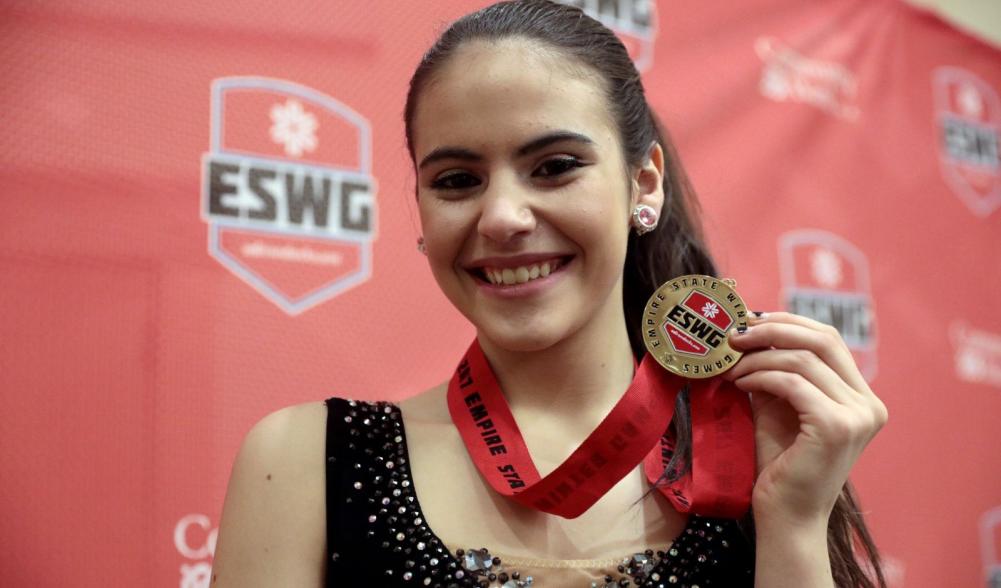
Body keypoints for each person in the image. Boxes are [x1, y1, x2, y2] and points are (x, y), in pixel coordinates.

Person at [209, 1, 889, 586]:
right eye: (455, 180)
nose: (502, 217)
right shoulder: (305, 460)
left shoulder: (753, 456)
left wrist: (794, 523)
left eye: (554, 167)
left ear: (643, 183)